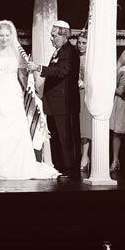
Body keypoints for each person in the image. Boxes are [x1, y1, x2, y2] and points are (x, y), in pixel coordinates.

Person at [0, 20, 59, 180]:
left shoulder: (17, 52)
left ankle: (17, 166)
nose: (4, 39)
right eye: (1, 35)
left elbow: (23, 75)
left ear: (11, 36)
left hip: (13, 94)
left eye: (7, 35)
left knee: (15, 130)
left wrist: (30, 91)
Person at [26, 20, 81, 178]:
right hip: (54, 102)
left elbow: (62, 71)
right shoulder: (60, 50)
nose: (51, 38)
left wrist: (39, 68)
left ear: (64, 36)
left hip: (63, 103)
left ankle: (69, 168)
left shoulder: (68, 51)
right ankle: (60, 166)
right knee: (56, 136)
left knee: (65, 137)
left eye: (54, 35)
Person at [76, 32, 91, 172]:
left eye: (84, 43)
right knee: (78, 125)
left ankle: (85, 156)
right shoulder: (76, 57)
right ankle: (80, 155)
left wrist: (86, 84)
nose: (81, 45)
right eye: (79, 42)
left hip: (87, 94)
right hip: (75, 93)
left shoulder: (91, 59)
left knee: (85, 126)